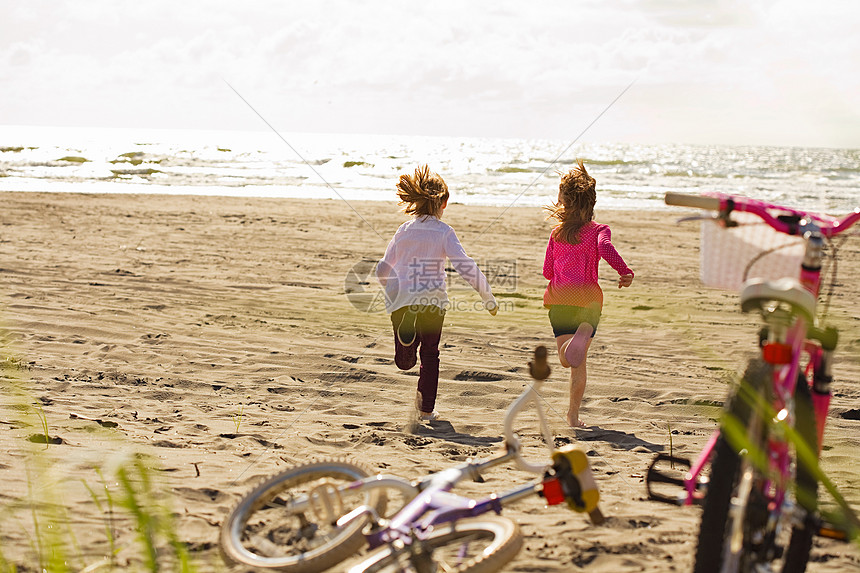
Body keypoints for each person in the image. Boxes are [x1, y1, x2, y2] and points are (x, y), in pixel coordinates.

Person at [377, 165, 497, 422]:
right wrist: (487, 295)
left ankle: (405, 338)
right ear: (444, 202)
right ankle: (426, 410)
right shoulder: (445, 232)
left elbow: (382, 269)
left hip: (402, 300)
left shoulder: (403, 230)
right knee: (430, 355)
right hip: (433, 302)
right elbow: (465, 265)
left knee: (405, 361)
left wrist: (391, 290)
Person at [543, 159, 634, 428]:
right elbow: (605, 249)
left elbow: (547, 271)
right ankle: (573, 415)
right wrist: (624, 271)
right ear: (591, 203)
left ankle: (569, 348)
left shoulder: (557, 233)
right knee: (579, 364)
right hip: (589, 303)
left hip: (560, 300)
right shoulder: (598, 230)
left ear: (563, 202)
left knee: (565, 358)